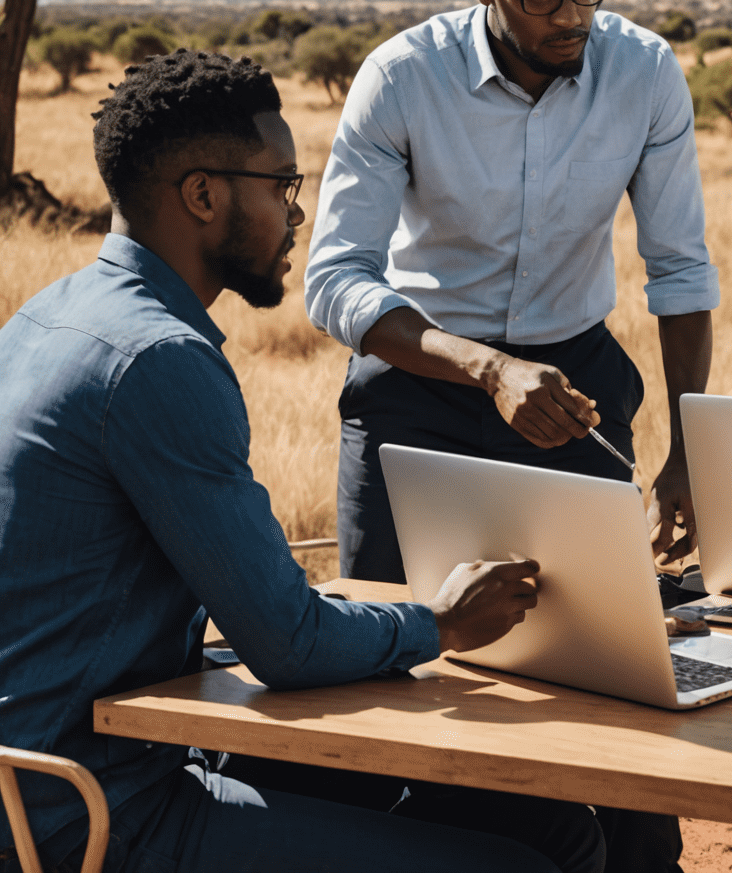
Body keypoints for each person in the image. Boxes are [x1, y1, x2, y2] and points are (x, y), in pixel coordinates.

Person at [0, 50, 604, 873]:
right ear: (204, 195)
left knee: (555, 831)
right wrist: (441, 622)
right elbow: (284, 644)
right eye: (282, 186)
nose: (298, 215)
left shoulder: (48, 316)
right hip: (92, 815)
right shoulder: (159, 359)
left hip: (53, 772)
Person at [306, 0, 714, 873]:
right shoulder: (402, 77)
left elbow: (682, 269)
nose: (571, 14)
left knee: (605, 675)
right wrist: (487, 371)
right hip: (419, 384)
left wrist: (689, 450)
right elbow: (333, 283)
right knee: (403, 667)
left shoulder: (644, 71)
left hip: (574, 390)